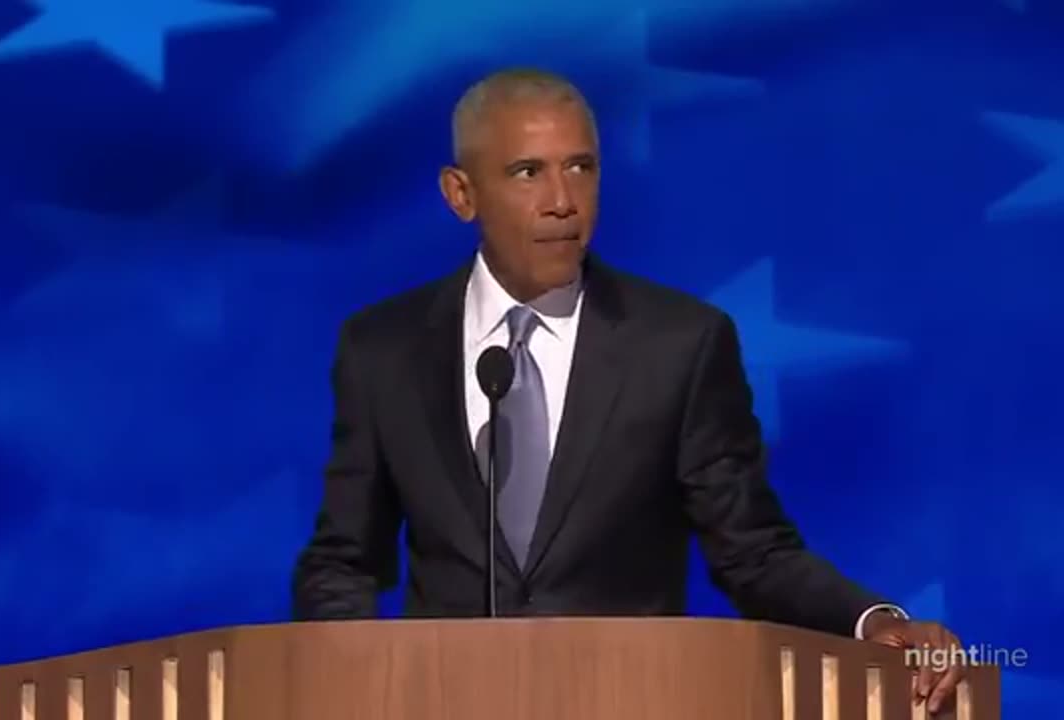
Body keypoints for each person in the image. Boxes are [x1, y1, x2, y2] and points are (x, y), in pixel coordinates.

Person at [292, 67, 965, 713]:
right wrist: (355, 676)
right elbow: (343, 560)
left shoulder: (679, 344)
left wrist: (872, 622)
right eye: (528, 172)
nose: (562, 200)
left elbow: (754, 553)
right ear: (460, 193)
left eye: (580, 167)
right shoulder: (383, 348)